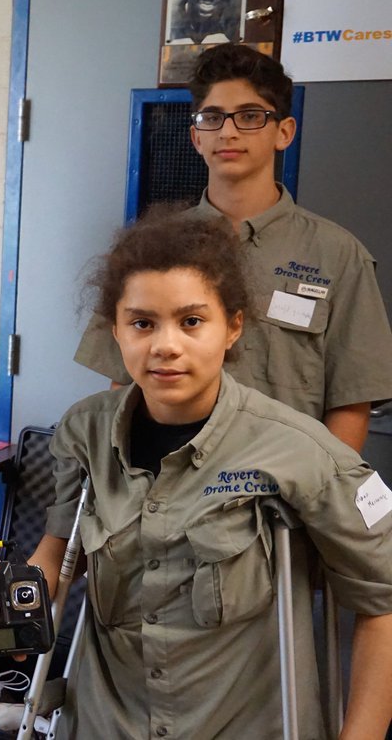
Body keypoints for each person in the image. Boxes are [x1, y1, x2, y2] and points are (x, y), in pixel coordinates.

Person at [38, 210, 392, 738]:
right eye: (142, 323)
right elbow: (56, 559)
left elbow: (382, 601)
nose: (165, 345)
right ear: (115, 330)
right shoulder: (82, 433)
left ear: (233, 327)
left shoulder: (302, 453)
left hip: (242, 723)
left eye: (191, 321)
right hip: (108, 720)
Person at [75, 43, 392, 452]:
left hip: (283, 490)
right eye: (213, 117)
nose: (228, 131)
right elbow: (123, 383)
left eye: (249, 116)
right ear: (195, 136)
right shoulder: (151, 248)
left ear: (284, 132)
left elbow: (352, 402)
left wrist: (319, 498)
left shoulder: (338, 255)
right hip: (168, 485)